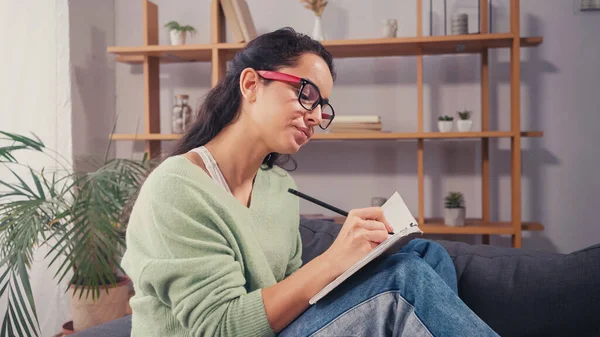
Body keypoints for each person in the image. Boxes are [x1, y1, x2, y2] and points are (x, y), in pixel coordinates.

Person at [121, 27, 499, 337]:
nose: (317, 116)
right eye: (306, 94)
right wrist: (335, 260)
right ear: (251, 84)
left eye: (323, 107)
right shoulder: (175, 188)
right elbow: (221, 327)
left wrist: (358, 262)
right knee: (405, 279)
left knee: (425, 255)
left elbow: (289, 297)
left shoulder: (278, 187)